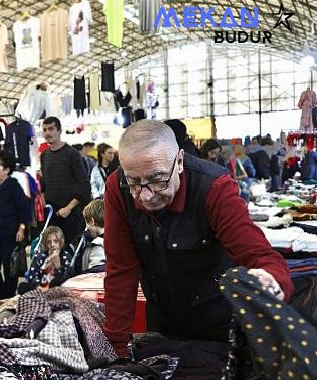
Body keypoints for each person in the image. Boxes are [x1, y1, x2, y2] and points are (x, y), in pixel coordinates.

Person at [103, 120, 292, 357]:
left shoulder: (214, 187)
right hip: (163, 325)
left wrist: (270, 280)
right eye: (134, 183)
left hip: (218, 326)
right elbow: (121, 270)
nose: (146, 195)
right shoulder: (117, 188)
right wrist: (115, 349)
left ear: (179, 161)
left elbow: (259, 256)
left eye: (158, 179)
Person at [0, 150, 30, 301]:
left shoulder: (13, 185)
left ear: (6, 170)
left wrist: (22, 228)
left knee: (9, 267)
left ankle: (9, 297)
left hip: (10, 234)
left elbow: (24, 207)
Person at [40, 117, 91, 245]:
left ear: (59, 130)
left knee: (72, 251)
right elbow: (44, 183)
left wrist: (69, 208)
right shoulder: (44, 155)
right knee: (53, 251)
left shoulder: (72, 154)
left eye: (51, 129)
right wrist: (43, 200)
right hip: (52, 213)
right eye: (45, 130)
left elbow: (84, 185)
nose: (47, 133)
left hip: (71, 215)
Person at [19, 226, 74, 294]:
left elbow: (67, 279)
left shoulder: (66, 257)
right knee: (22, 286)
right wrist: (39, 287)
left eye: (55, 241)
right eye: (49, 242)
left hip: (56, 289)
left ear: (61, 242)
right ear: (45, 243)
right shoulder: (40, 256)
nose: (52, 245)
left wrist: (58, 266)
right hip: (40, 288)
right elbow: (31, 277)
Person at [74, 199, 105, 274]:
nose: (86, 228)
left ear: (92, 221)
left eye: (86, 223)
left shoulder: (97, 245)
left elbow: (95, 273)